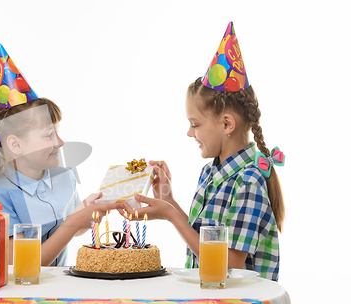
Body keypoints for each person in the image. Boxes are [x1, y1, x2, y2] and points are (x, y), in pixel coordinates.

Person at [120, 22, 285, 281]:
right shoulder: (210, 172)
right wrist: (168, 202)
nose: (189, 133)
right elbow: (208, 240)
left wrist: (171, 215)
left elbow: (229, 264)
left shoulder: (249, 181)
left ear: (227, 124)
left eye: (195, 124)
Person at [0, 43, 120, 267]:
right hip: (22, 294)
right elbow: (24, 264)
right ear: (16, 145)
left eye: (58, 132)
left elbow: (70, 227)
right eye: (49, 134)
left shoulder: (64, 176)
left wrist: (88, 212)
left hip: (57, 289)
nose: (59, 142)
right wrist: (74, 222)